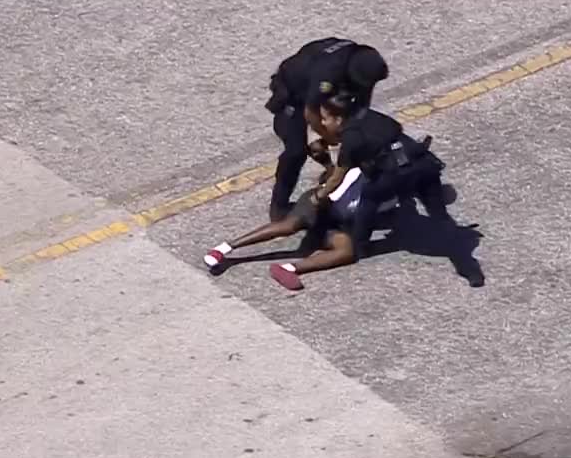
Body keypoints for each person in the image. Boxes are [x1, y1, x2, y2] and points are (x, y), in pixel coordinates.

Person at [309, 91, 484, 287]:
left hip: (394, 177)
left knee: (369, 198)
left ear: (339, 118)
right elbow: (395, 129)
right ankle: (470, 270)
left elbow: (337, 177)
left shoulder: (351, 139)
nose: (323, 124)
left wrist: (319, 196)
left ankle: (359, 245)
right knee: (441, 217)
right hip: (423, 167)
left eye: (325, 119)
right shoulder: (372, 116)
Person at [202, 139, 397, 290]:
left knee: (347, 251)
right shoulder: (355, 175)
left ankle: (289, 268)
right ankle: (224, 249)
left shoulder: (387, 191)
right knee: (289, 226)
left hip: (336, 222)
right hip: (318, 204)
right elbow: (330, 195)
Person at [264, 37, 389, 222]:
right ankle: (278, 207)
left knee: (355, 134)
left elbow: (364, 95)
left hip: (326, 88)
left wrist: (355, 126)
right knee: (295, 151)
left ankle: (342, 174)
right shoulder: (329, 73)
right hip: (294, 95)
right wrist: (329, 136)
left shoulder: (364, 60)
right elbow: (310, 111)